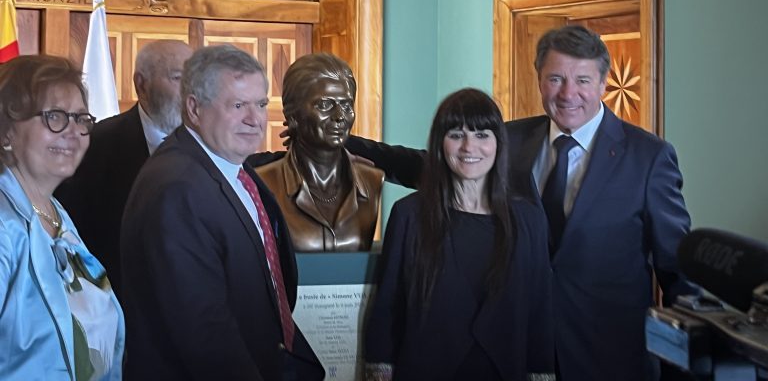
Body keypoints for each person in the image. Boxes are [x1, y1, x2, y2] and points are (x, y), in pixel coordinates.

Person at [347, 25, 696, 381]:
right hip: (516, 353)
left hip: (608, 358)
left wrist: (685, 368)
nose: (568, 93)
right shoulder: (506, 139)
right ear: (539, 79)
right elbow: (442, 165)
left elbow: (680, 273)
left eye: (583, 81)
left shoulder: (649, 158)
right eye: (556, 79)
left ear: (605, 82)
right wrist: (343, 146)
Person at [120, 44, 324, 381]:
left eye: (260, 104)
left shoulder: (228, 168)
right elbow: (202, 330)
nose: (254, 120)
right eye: (238, 105)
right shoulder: (178, 187)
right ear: (194, 108)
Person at [364, 88, 554, 381]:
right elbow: (389, 306)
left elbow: (540, 313)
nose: (469, 147)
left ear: (498, 144)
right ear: (440, 144)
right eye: (456, 135)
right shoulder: (408, 215)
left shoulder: (529, 220)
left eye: (481, 135)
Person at [0, 55, 125, 380]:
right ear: (5, 132)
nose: (73, 132)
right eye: (54, 116)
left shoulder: (57, 215)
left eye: (81, 118)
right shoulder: (3, 223)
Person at [56, 39, 193, 299]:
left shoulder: (212, 146)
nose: (190, 92)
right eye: (178, 78)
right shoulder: (92, 146)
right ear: (141, 84)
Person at [252, 53, 384, 251]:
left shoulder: (372, 181)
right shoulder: (262, 184)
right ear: (293, 114)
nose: (340, 116)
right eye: (325, 105)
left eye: (346, 105)